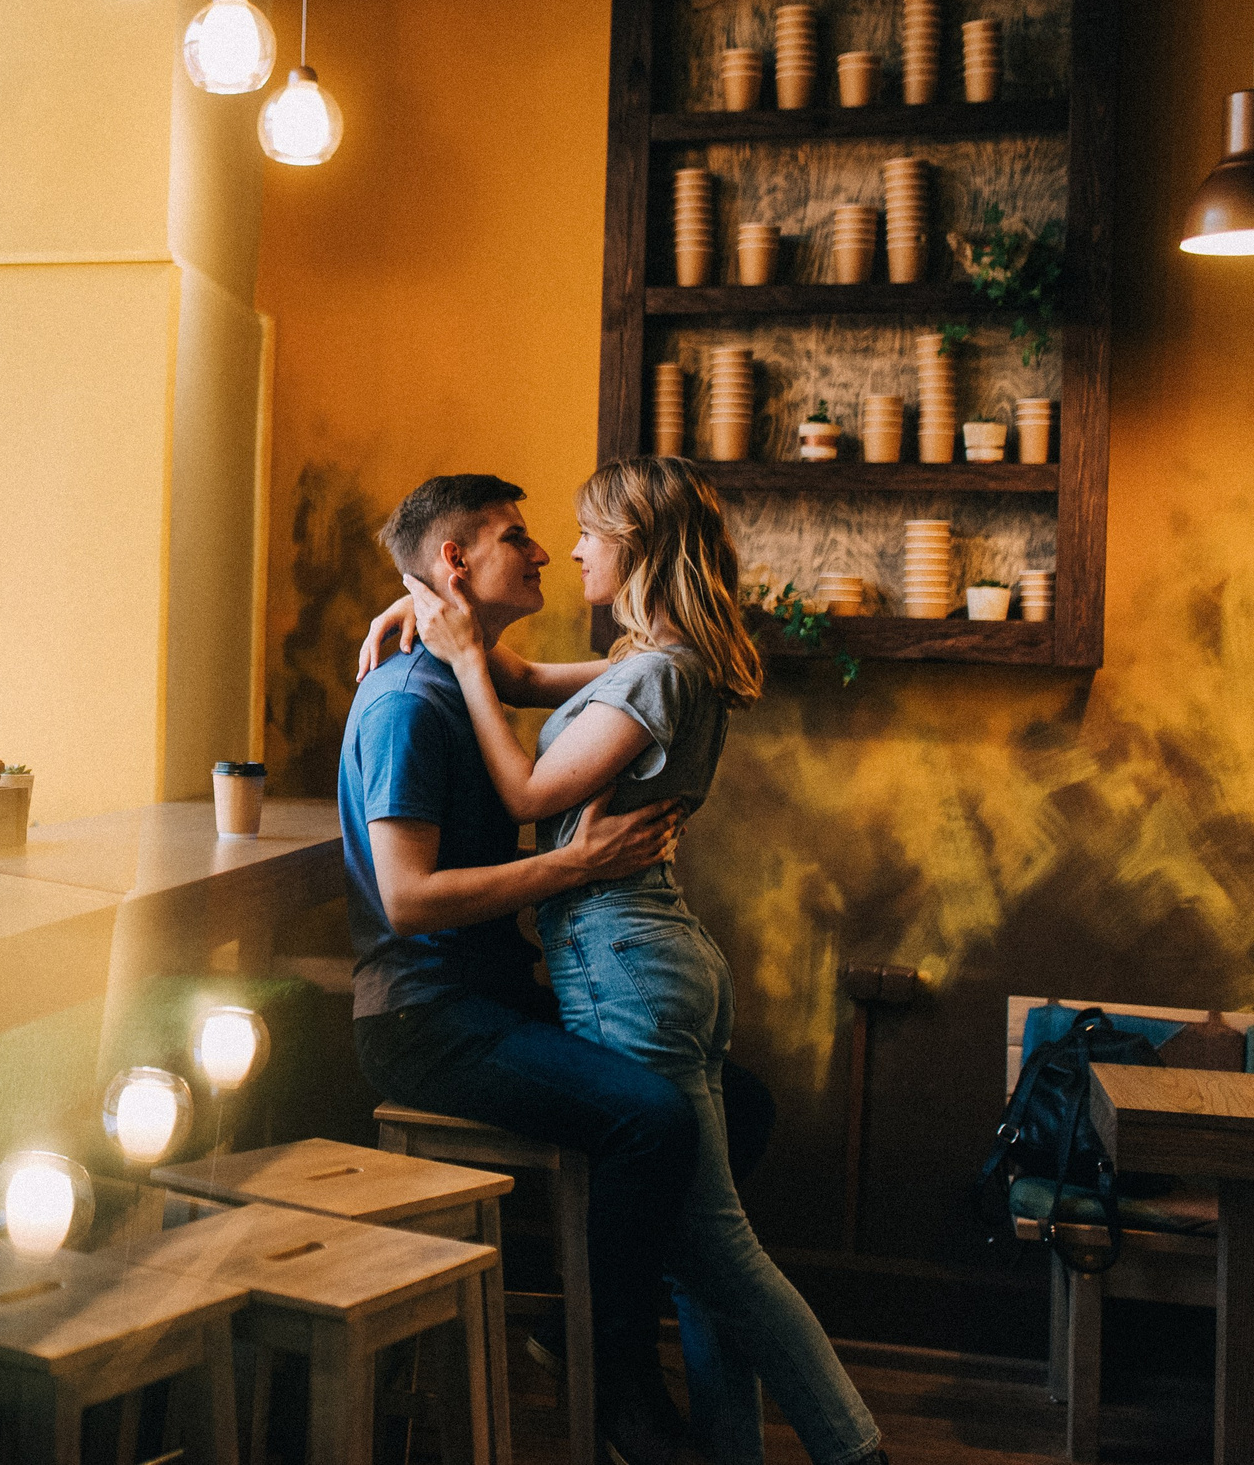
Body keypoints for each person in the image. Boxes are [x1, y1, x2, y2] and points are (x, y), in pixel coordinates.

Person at [396, 457, 887, 1465]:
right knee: (697, 1252)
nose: (570, 548)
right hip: (653, 950)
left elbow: (531, 794)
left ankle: (855, 1451)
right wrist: (415, 608)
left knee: (718, 1250)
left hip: (624, 956)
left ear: (635, 546)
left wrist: (457, 665)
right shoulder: (652, 656)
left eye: (587, 531)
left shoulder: (657, 670)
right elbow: (522, 677)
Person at [341, 473, 699, 1465]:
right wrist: (577, 864)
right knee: (654, 1118)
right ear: (455, 562)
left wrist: (419, 601)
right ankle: (617, 1382)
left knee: (728, 1107)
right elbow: (407, 898)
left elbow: (585, 673)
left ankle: (583, 1327)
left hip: (487, 997)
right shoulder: (412, 702)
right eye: (516, 536)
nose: (542, 551)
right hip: (425, 1018)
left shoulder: (465, 672)